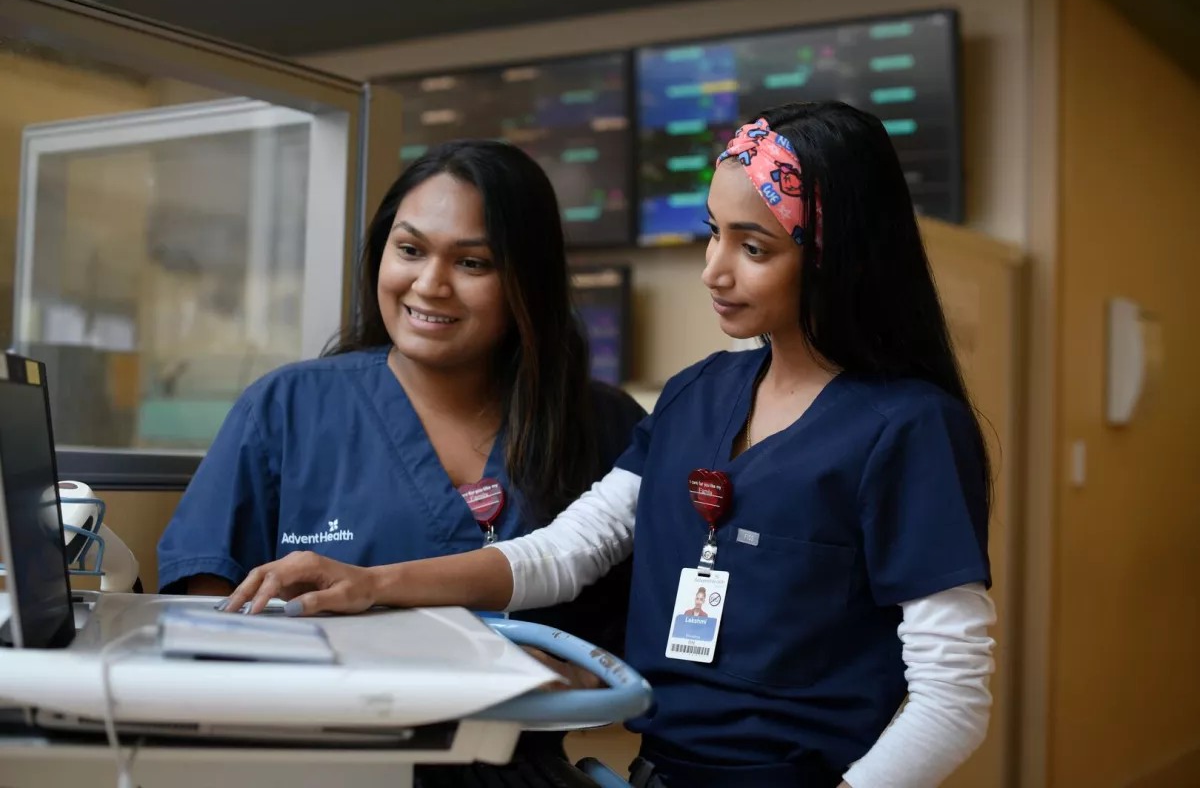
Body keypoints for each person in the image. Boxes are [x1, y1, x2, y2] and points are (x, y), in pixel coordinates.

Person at [221, 102, 997, 788]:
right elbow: (564, 551)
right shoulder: (700, 393)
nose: (713, 271)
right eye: (712, 234)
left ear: (834, 257)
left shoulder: (908, 427)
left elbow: (952, 697)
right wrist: (371, 583)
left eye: (753, 248)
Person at [155, 139, 648, 759]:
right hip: (320, 767)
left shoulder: (603, 427)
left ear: (529, 280)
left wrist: (575, 675)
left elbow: (640, 634)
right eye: (410, 250)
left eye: (473, 264)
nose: (430, 284)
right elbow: (208, 620)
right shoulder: (287, 408)